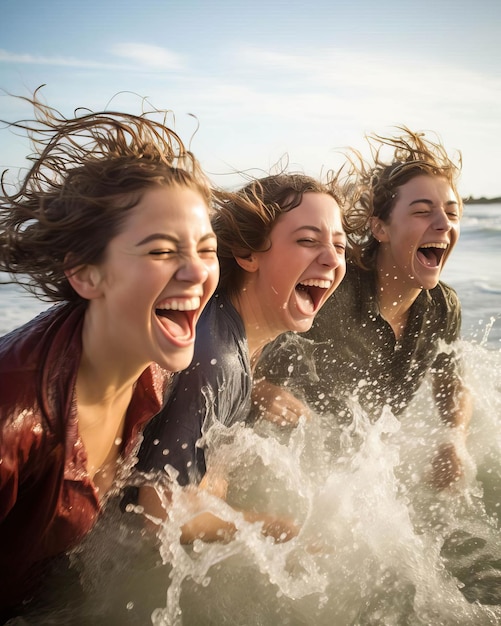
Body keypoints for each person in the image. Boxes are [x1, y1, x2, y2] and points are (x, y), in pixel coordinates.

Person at [0, 92, 219, 614]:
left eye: (206, 248)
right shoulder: (13, 417)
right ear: (85, 272)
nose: (195, 271)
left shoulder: (154, 364)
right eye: (162, 251)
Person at [254, 128, 471, 490]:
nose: (444, 224)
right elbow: (242, 334)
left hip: (357, 478)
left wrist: (454, 440)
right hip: (280, 463)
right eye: (422, 211)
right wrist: (258, 391)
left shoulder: (443, 308)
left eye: (451, 212)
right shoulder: (328, 288)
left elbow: (451, 384)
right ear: (380, 227)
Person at [135, 172, 347, 541]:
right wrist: (272, 529)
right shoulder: (215, 354)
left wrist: (257, 390)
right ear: (248, 253)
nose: (331, 259)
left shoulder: (251, 330)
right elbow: (159, 515)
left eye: (341, 246)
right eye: (308, 241)